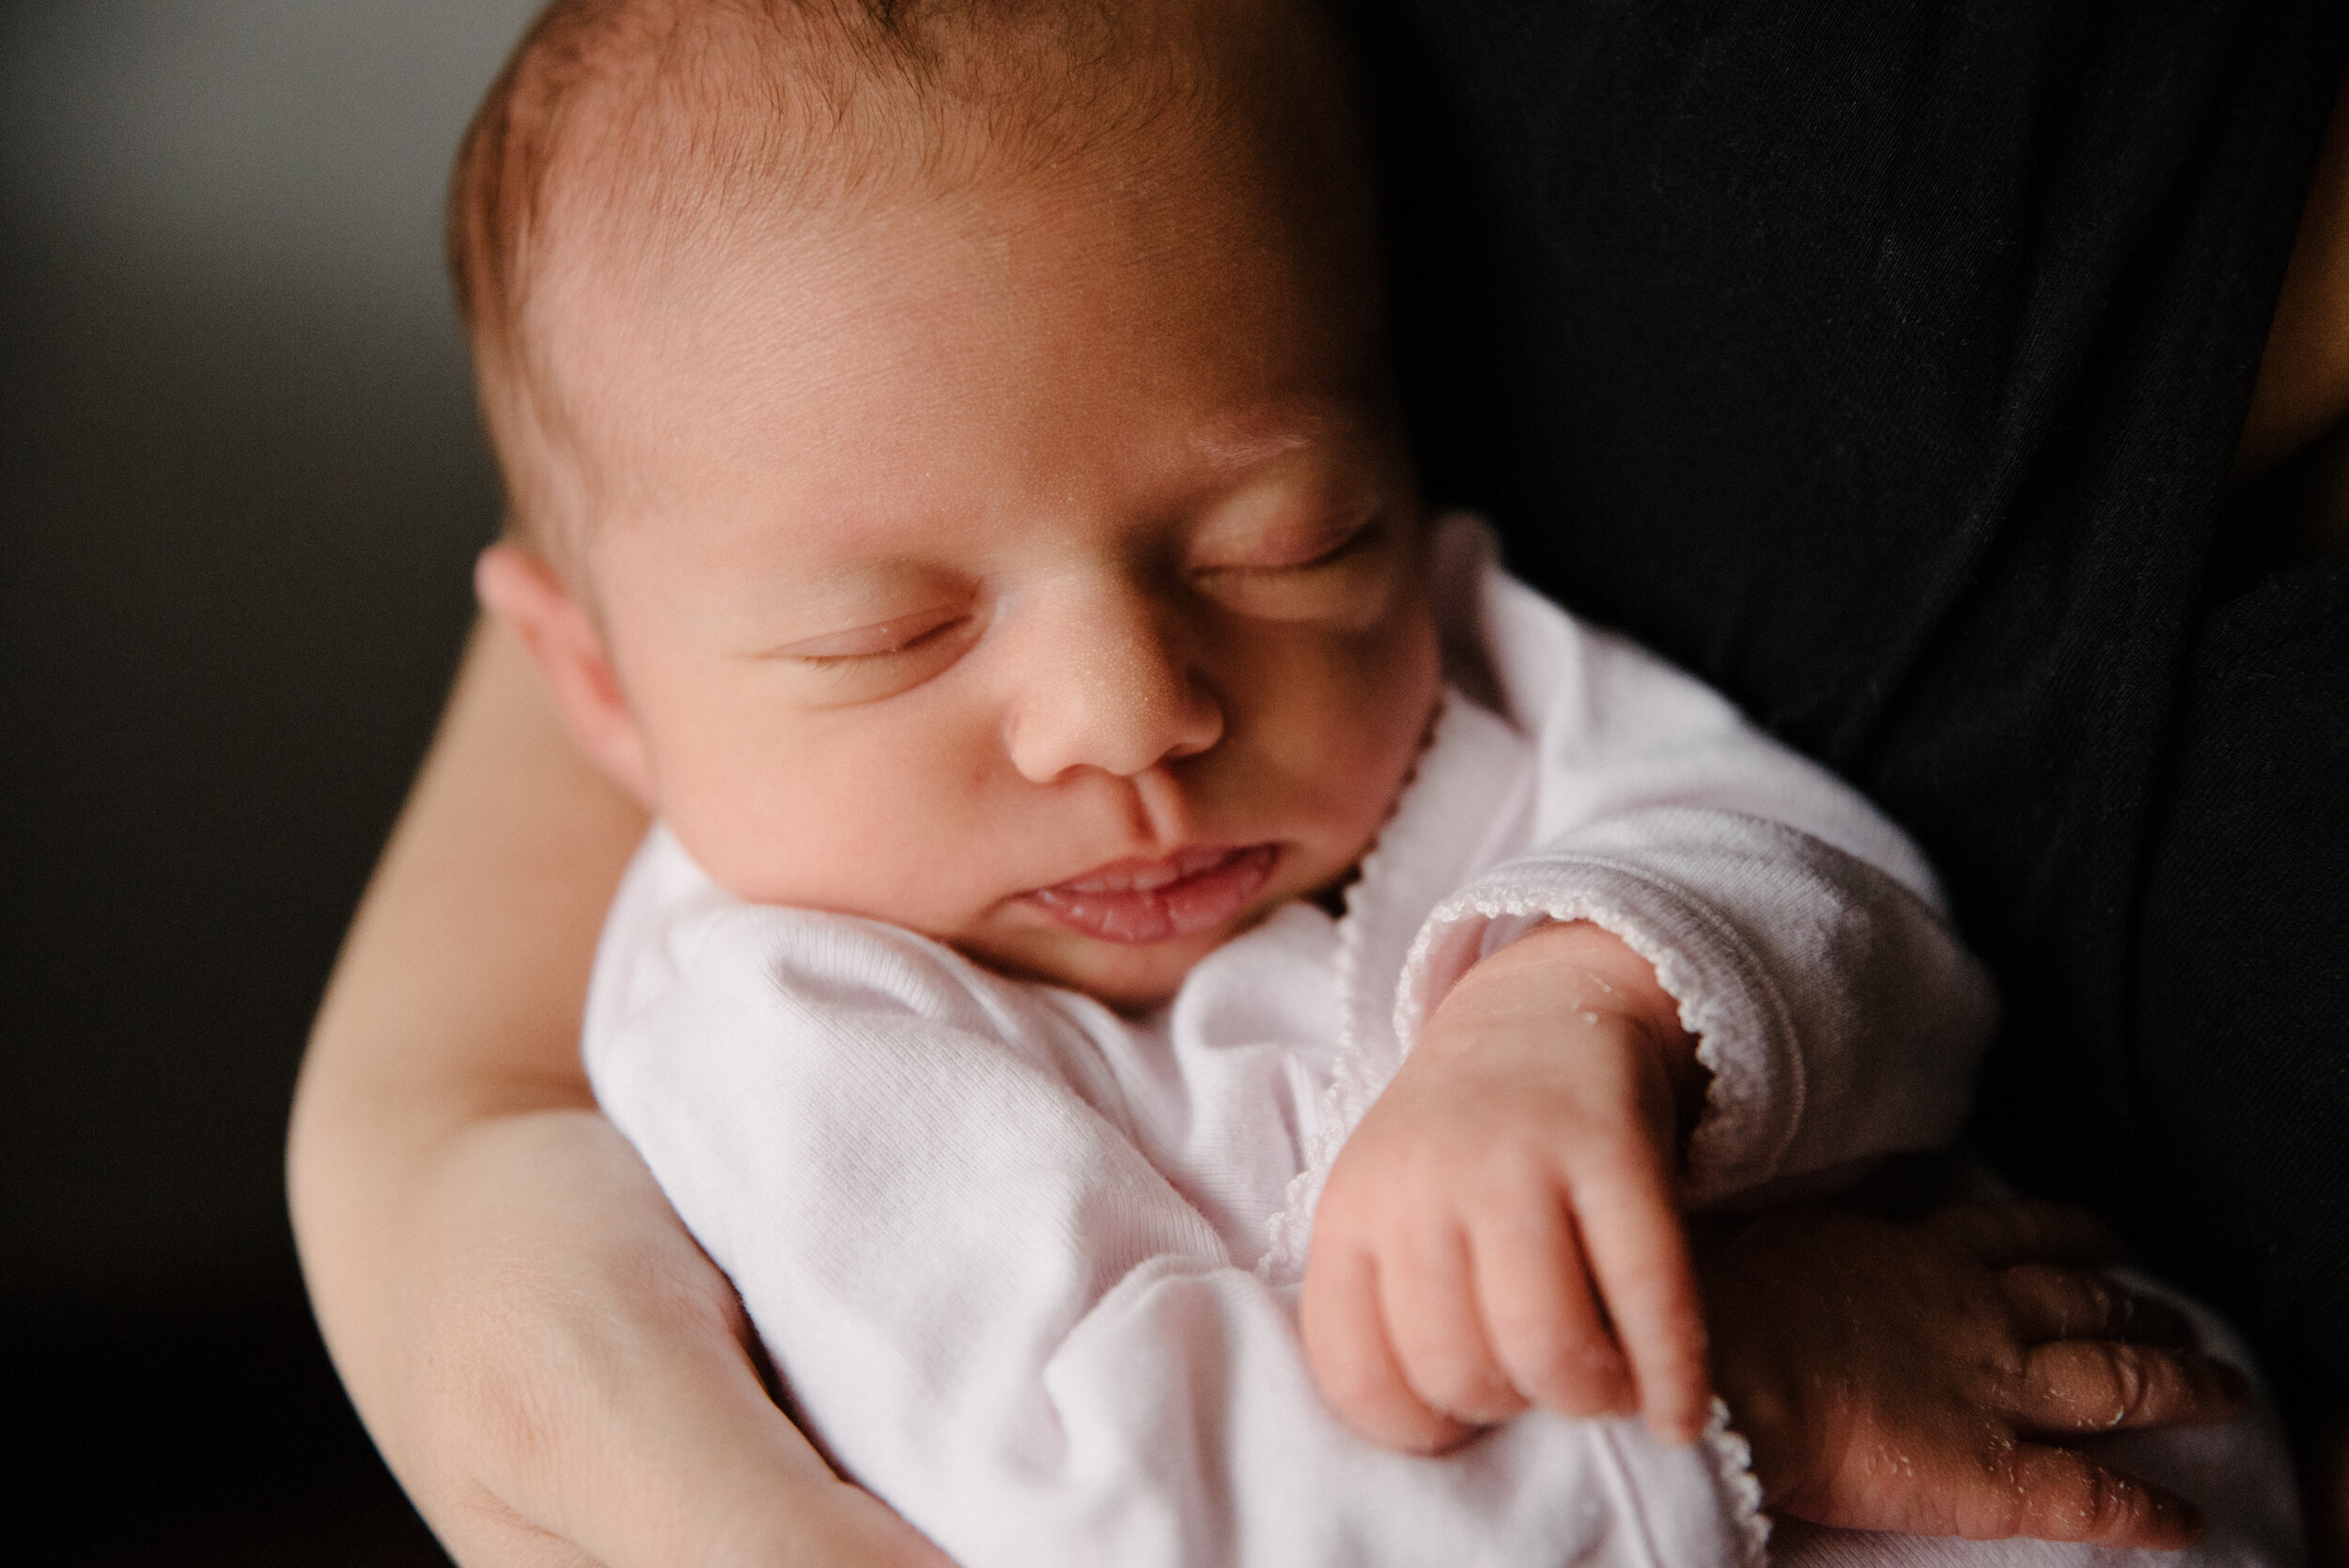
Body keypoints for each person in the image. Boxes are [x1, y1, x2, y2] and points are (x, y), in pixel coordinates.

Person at [287, 1, 2349, 1564]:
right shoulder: (781, 1034)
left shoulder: (1458, 672)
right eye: (893, 635)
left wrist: (1581, 996)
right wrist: (1745, 1395)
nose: (1135, 708)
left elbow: (1862, 920)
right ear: (595, 683)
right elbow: (1148, 1512)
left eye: (1286, 539)